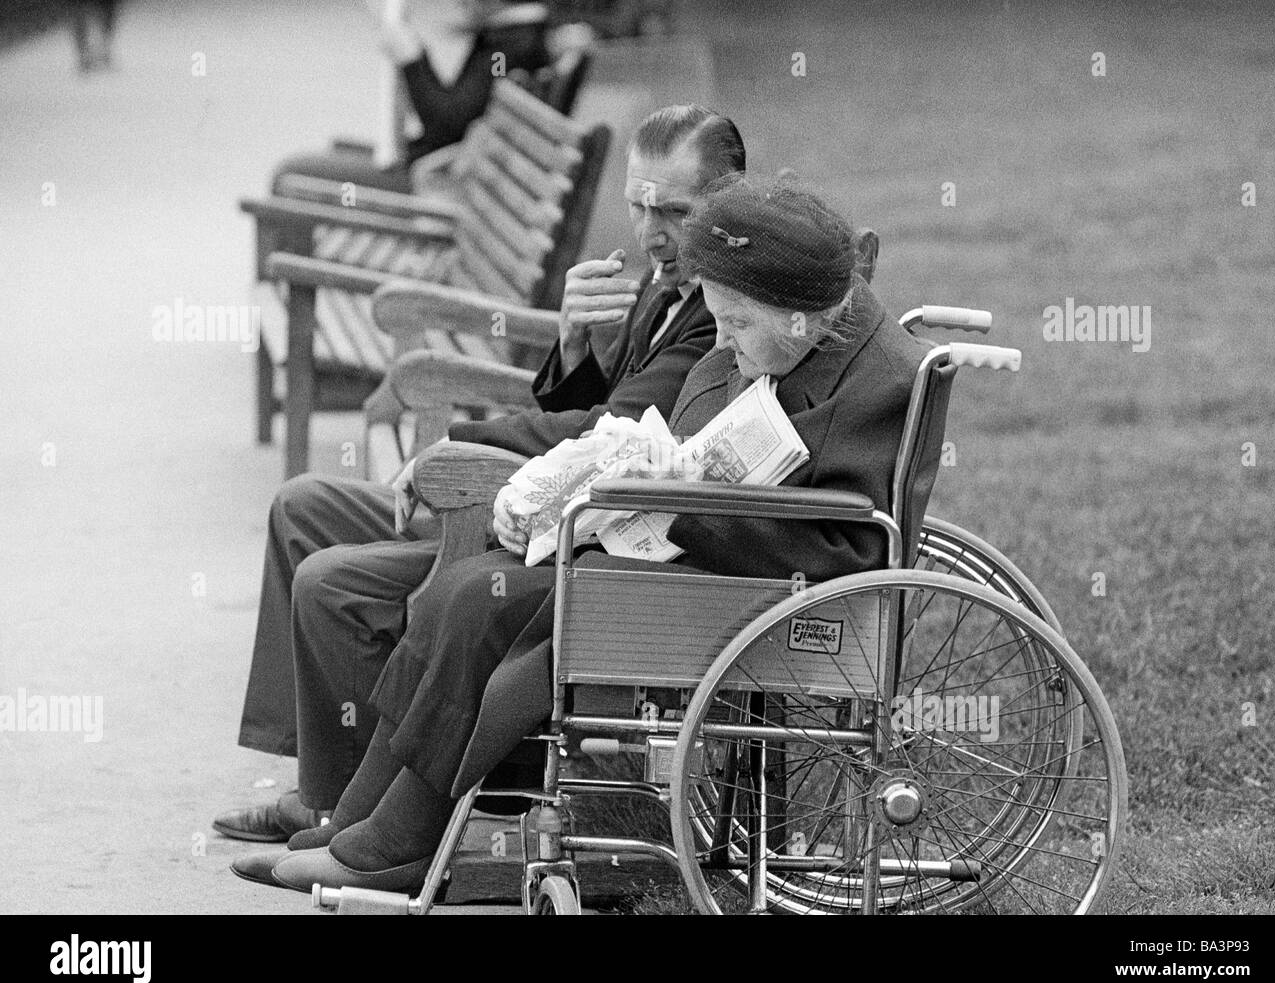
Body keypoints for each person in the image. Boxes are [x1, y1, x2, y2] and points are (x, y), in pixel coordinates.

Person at [264, 173, 932, 894]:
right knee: (462, 586)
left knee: (476, 601)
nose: (726, 343)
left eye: (736, 325)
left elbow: (851, 547)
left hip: (752, 589)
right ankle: (368, 819)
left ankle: (396, 843)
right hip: (694, 551)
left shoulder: (873, 380)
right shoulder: (796, 338)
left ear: (798, 317)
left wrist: (678, 501)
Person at [217, 105, 747, 861]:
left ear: (726, 202)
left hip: (544, 514)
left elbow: (602, 439)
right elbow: (587, 412)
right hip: (533, 494)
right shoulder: (664, 282)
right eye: (637, 204)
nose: (651, 227)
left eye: (674, 210)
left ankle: (340, 806)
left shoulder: (716, 315)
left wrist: (457, 445)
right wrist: (570, 341)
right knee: (302, 507)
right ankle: (317, 780)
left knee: (333, 580)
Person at [272, 1, 553, 194]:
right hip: (452, 176)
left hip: (436, 184)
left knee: (291, 174)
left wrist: (413, 60)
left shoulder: (506, 51)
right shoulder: (516, 40)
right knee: (327, 157)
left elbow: (447, 126)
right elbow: (460, 115)